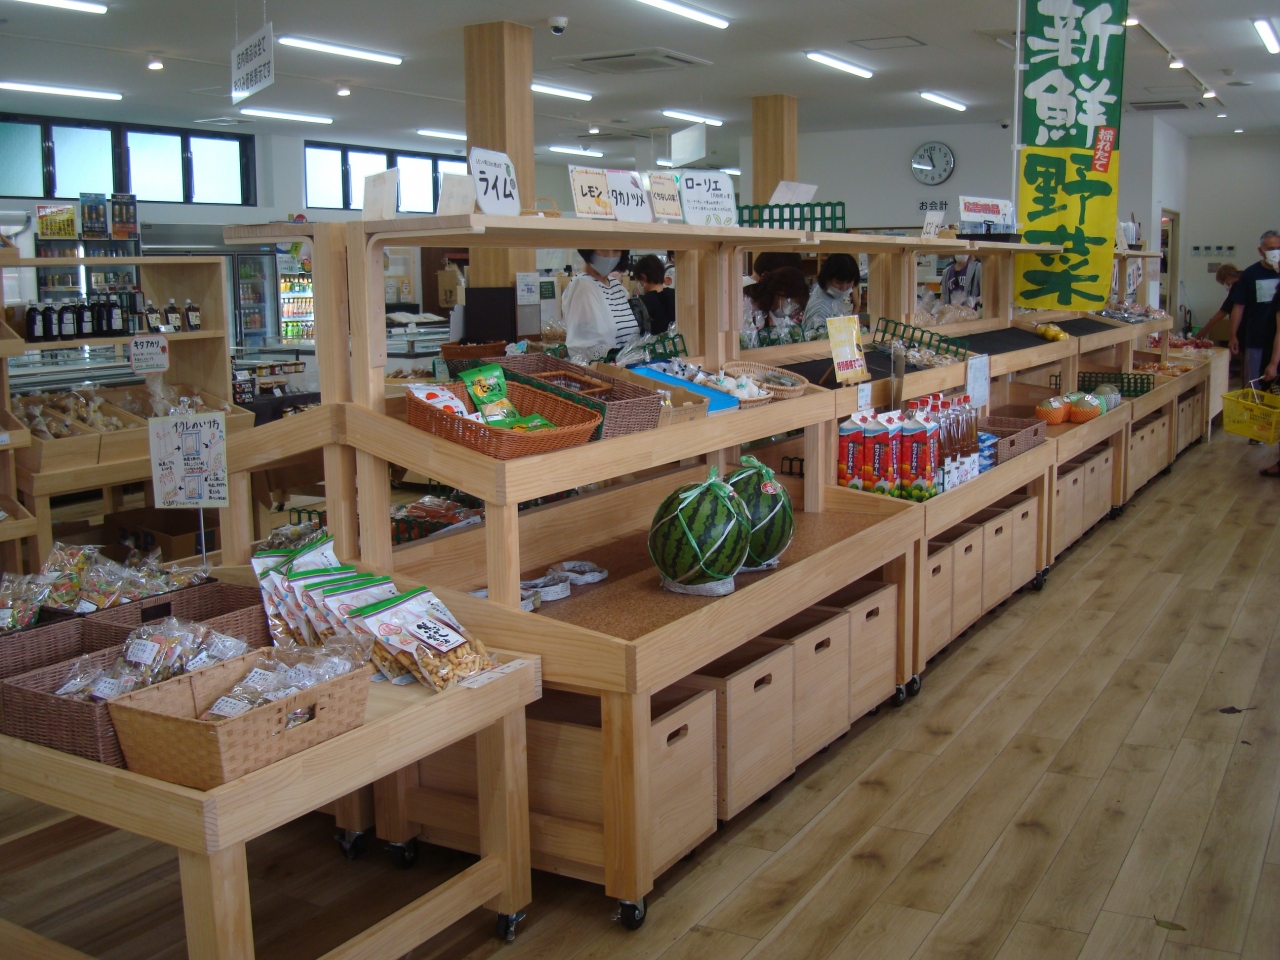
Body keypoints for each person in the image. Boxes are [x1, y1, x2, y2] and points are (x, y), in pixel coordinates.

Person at [562, 249, 636, 359]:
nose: (609, 256)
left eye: (616, 250)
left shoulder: (616, 286)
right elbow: (583, 345)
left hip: (627, 365)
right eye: (603, 249)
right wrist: (617, 356)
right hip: (603, 368)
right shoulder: (583, 286)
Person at [1228, 230, 1280, 387]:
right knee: (1254, 382)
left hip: (1277, 338)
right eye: (1271, 249)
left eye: (1278, 248)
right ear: (1261, 251)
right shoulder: (1251, 274)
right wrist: (1233, 335)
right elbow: (1239, 306)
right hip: (1257, 337)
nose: (1275, 252)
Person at [744, 266, 810, 342]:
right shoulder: (745, 305)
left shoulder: (772, 315)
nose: (791, 312)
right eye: (793, 305)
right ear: (781, 294)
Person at [803, 254, 862, 336]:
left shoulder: (834, 295)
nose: (844, 288)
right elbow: (816, 340)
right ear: (826, 279)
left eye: (849, 282)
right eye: (838, 283)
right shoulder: (820, 308)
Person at [630, 254, 675, 334]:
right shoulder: (675, 296)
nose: (638, 285)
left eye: (638, 281)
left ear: (644, 277)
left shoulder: (641, 303)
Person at [1198, 263, 1241, 339]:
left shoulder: (1237, 287)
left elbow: (1223, 312)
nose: (1226, 286)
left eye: (1223, 283)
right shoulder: (1244, 283)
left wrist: (1204, 331)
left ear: (1227, 278)